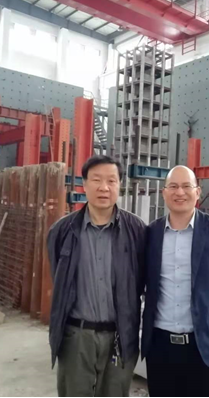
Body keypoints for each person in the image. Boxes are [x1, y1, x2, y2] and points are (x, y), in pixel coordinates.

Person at [47, 155, 146, 397]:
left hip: (120, 336)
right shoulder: (62, 230)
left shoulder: (137, 230)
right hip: (75, 336)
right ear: (84, 184)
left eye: (111, 180)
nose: (104, 187)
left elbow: (143, 280)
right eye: (96, 180)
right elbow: (58, 277)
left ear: (120, 185)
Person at [141, 165, 209, 397]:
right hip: (160, 346)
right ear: (164, 193)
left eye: (186, 186)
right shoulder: (151, 233)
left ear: (197, 192)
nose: (180, 192)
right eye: (173, 186)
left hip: (202, 345)